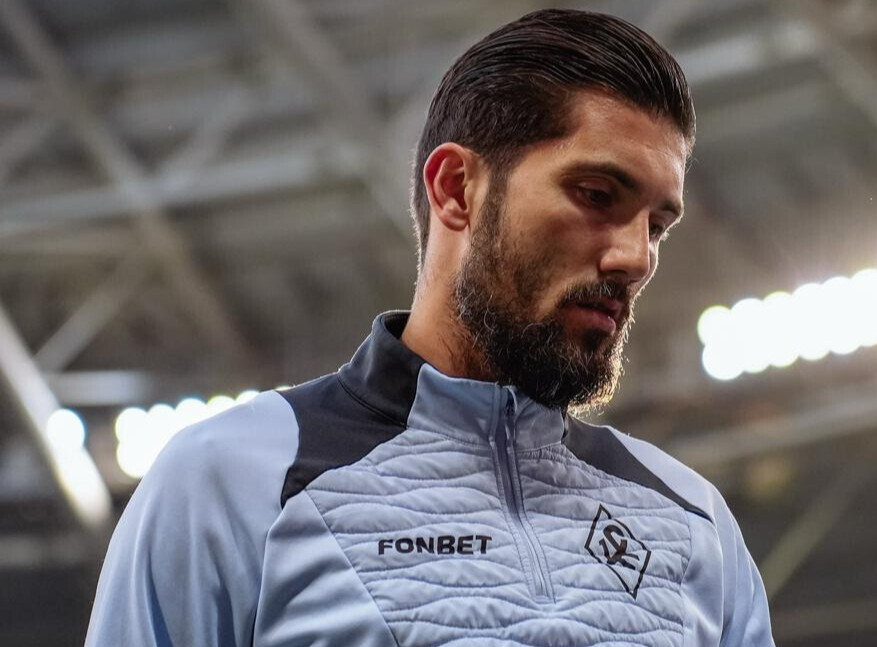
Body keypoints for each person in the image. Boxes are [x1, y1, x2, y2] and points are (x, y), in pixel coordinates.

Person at [86, 8, 774, 646]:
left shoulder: (697, 526)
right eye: (596, 195)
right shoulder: (230, 480)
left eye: (656, 226)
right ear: (455, 189)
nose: (635, 259)